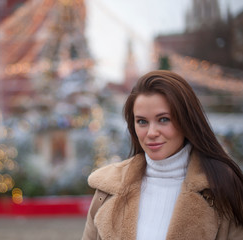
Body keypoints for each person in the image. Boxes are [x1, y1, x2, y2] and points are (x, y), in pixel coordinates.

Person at [82, 70, 243, 240]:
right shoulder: (107, 190)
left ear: (186, 120)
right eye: (142, 121)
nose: (151, 133)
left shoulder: (223, 188)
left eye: (163, 119)